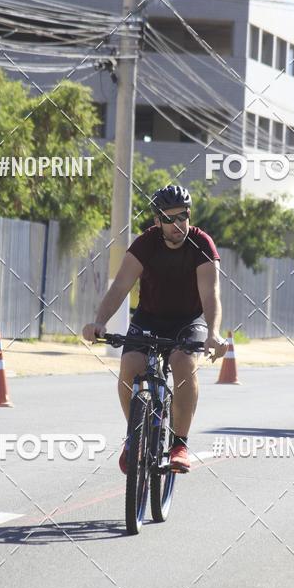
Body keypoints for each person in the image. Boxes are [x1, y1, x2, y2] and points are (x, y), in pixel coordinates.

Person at [83, 185, 228, 474]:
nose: (178, 224)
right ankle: (133, 438)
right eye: (170, 218)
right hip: (149, 318)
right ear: (157, 221)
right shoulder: (146, 244)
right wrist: (100, 321)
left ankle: (179, 445)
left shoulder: (202, 244)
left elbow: (211, 296)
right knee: (130, 365)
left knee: (183, 363)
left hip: (189, 321)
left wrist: (213, 333)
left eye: (183, 216)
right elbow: (120, 286)